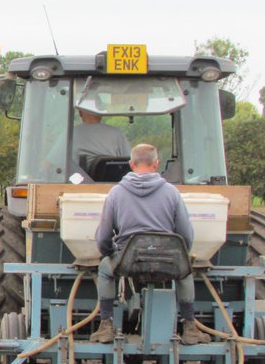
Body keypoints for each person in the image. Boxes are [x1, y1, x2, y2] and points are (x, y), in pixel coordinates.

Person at [89, 142, 210, 345]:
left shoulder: (116, 194)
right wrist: (182, 255)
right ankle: (190, 327)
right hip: (168, 260)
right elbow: (186, 234)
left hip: (129, 261)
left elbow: (102, 238)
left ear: (131, 164)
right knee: (186, 271)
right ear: (156, 164)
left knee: (104, 269)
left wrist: (110, 253)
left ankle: (106, 325)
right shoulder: (172, 193)